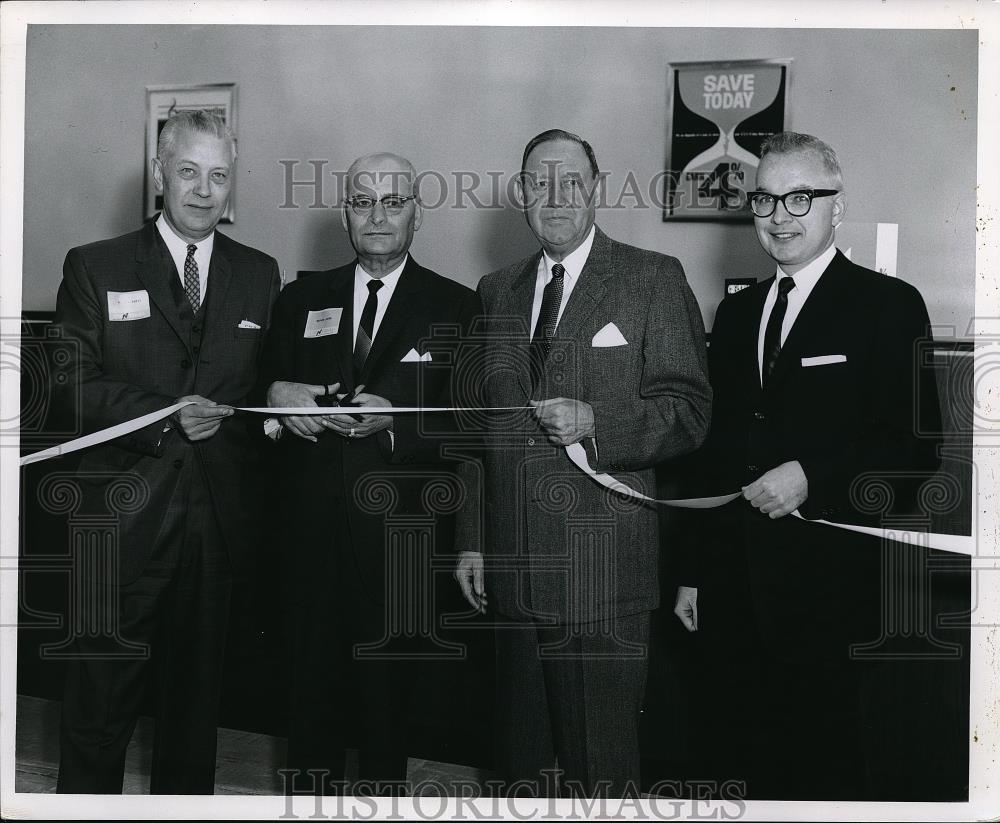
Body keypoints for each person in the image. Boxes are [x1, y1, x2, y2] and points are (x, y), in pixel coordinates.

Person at [673, 131, 943, 799]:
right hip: (734, 592)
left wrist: (812, 475)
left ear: (836, 207)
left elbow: (915, 453)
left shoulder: (888, 305)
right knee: (737, 764)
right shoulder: (734, 316)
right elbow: (713, 459)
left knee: (823, 771)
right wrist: (691, 576)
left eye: (800, 197)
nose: (779, 215)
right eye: (765, 198)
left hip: (830, 598)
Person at [454, 129, 711, 798]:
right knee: (522, 772)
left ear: (596, 190)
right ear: (521, 195)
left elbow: (688, 411)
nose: (557, 197)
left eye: (572, 182)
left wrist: (599, 422)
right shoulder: (495, 289)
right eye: (541, 183)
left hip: (605, 576)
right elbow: (482, 430)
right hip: (513, 572)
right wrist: (473, 542)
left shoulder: (652, 278)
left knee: (601, 772)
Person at [53, 110, 281, 793]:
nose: (204, 190)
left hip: (215, 533)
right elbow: (68, 385)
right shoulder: (96, 265)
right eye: (188, 171)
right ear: (158, 172)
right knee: (98, 714)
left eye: (218, 174)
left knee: (193, 719)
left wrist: (279, 406)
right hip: (119, 526)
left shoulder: (259, 273)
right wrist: (164, 416)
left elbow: (255, 390)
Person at [259, 153, 480, 796]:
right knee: (308, 719)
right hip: (307, 543)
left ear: (418, 212)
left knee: (388, 724)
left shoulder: (458, 307)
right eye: (363, 201)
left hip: (400, 548)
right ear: (346, 213)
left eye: (393, 202)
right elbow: (258, 398)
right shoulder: (300, 298)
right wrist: (278, 402)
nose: (377, 216)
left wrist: (398, 423)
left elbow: (472, 427)